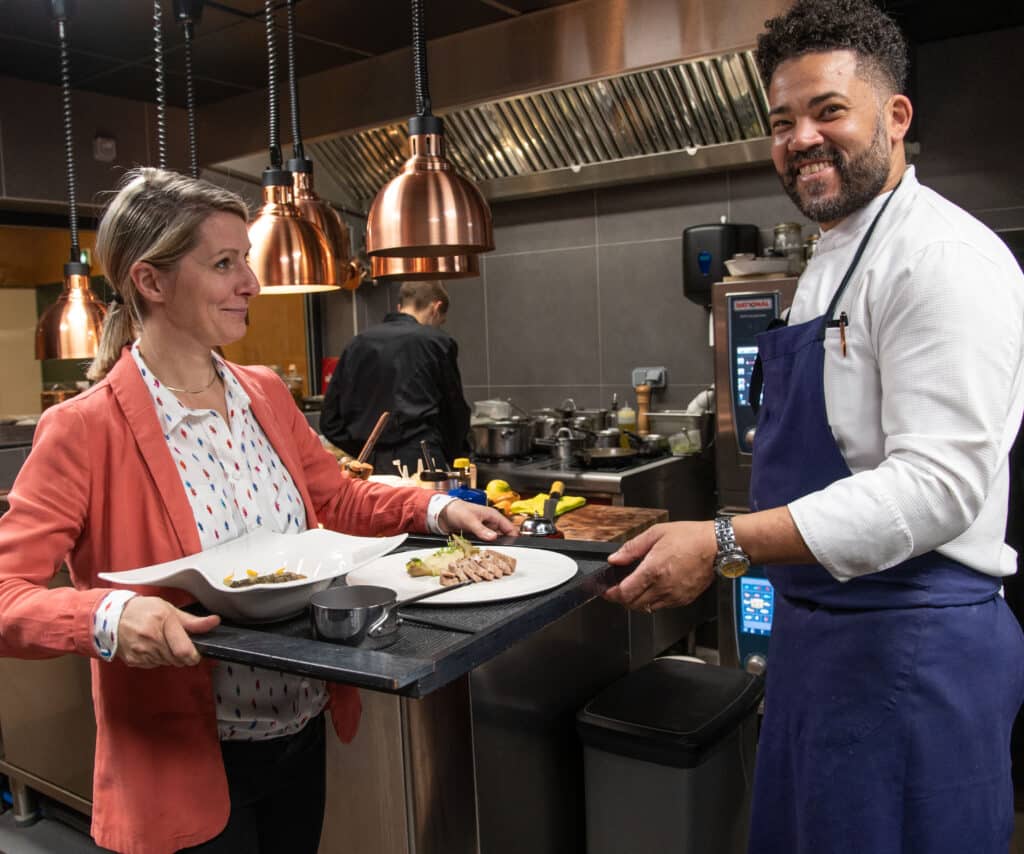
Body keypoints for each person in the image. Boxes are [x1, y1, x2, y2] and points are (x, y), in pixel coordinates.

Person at [603, 1, 1024, 851]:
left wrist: (725, 541)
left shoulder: (940, 258)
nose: (801, 138)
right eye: (783, 120)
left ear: (895, 116)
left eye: (829, 110)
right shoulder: (836, 250)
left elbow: (937, 489)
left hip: (911, 647)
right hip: (819, 644)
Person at [0, 168, 513, 854]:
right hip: (184, 756)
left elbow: (337, 499)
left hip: (299, 733)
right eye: (224, 263)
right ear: (151, 282)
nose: (253, 282)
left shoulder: (264, 394)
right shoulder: (85, 428)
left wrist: (436, 508)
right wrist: (109, 616)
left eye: (247, 258)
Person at [320, 280, 471, 476]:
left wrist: (365, 450)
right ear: (437, 308)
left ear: (400, 307)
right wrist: (454, 455)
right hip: (423, 461)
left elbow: (329, 420)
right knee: (424, 506)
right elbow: (454, 413)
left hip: (369, 466)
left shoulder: (357, 343)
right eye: (441, 321)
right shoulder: (437, 342)